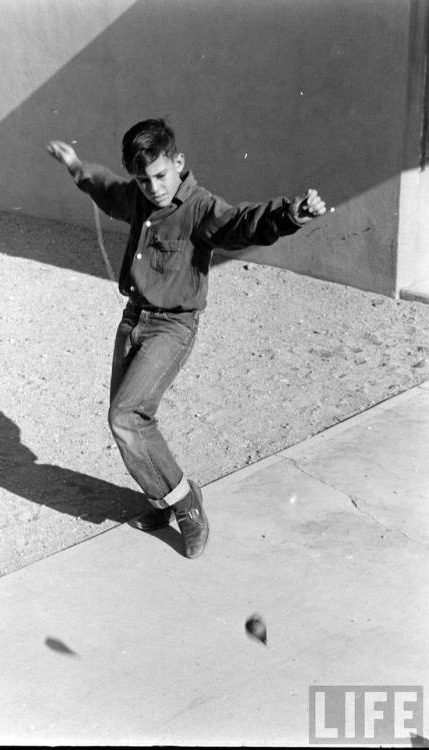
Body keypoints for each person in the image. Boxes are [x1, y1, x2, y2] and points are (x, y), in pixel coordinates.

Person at [47, 118, 326, 559]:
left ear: (178, 162)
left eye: (160, 175)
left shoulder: (200, 208)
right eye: (143, 179)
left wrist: (289, 215)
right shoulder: (138, 197)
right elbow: (106, 188)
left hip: (173, 327)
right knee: (122, 422)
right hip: (133, 318)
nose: (153, 187)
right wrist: (76, 165)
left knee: (128, 416)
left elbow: (242, 223)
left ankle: (185, 503)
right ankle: (161, 501)